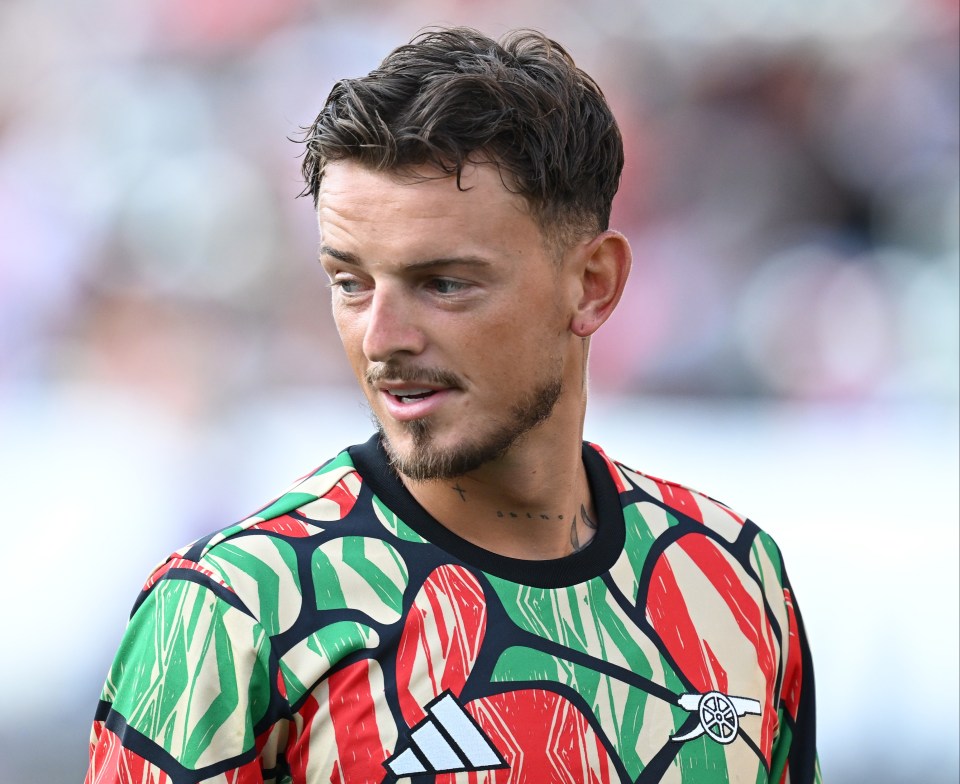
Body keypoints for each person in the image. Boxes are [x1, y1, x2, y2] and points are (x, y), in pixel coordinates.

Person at [85, 27, 821, 784]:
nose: (383, 338)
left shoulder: (735, 577)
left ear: (593, 285)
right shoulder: (233, 611)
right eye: (351, 282)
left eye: (444, 283)